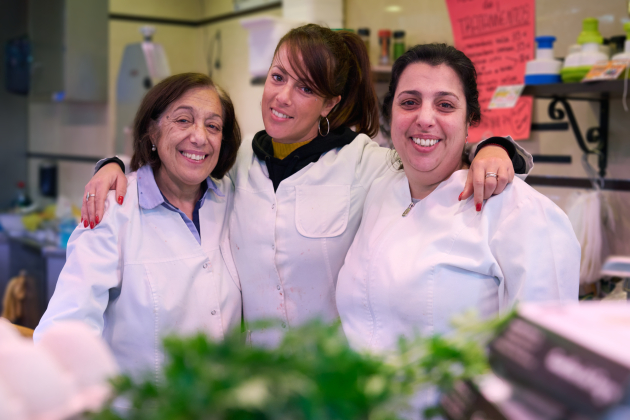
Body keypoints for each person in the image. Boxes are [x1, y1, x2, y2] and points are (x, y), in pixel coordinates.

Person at [80, 25, 532, 347]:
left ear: (329, 104)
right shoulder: (236, 161)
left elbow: (431, 155)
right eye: (278, 78)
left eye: (304, 88)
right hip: (252, 379)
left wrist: (494, 148)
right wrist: (114, 165)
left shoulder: (364, 162)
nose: (282, 97)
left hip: (334, 381)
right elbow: (180, 158)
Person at [336, 44, 580, 356]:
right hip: (360, 402)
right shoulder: (379, 189)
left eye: (445, 105)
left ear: (470, 121)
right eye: (409, 102)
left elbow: (544, 357)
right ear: (391, 114)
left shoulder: (519, 211)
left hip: (454, 405)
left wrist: (495, 147)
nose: (425, 118)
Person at [34, 73, 243, 380]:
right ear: (152, 131)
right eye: (183, 120)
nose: (200, 136)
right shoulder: (114, 209)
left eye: (213, 126)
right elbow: (67, 328)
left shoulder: (233, 200)